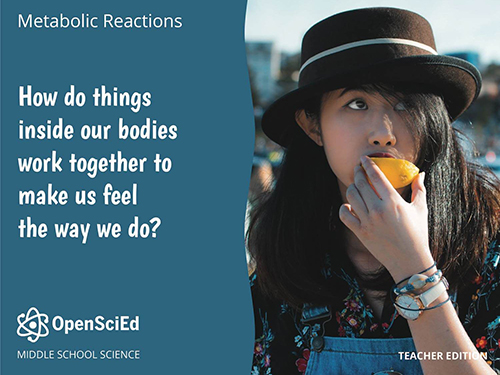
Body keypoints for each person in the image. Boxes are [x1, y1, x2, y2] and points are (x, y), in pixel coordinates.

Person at [247, 7, 500, 375]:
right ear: (313, 126)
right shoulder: (279, 267)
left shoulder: (488, 252)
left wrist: (414, 270)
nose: (383, 132)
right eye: (357, 103)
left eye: (405, 103)